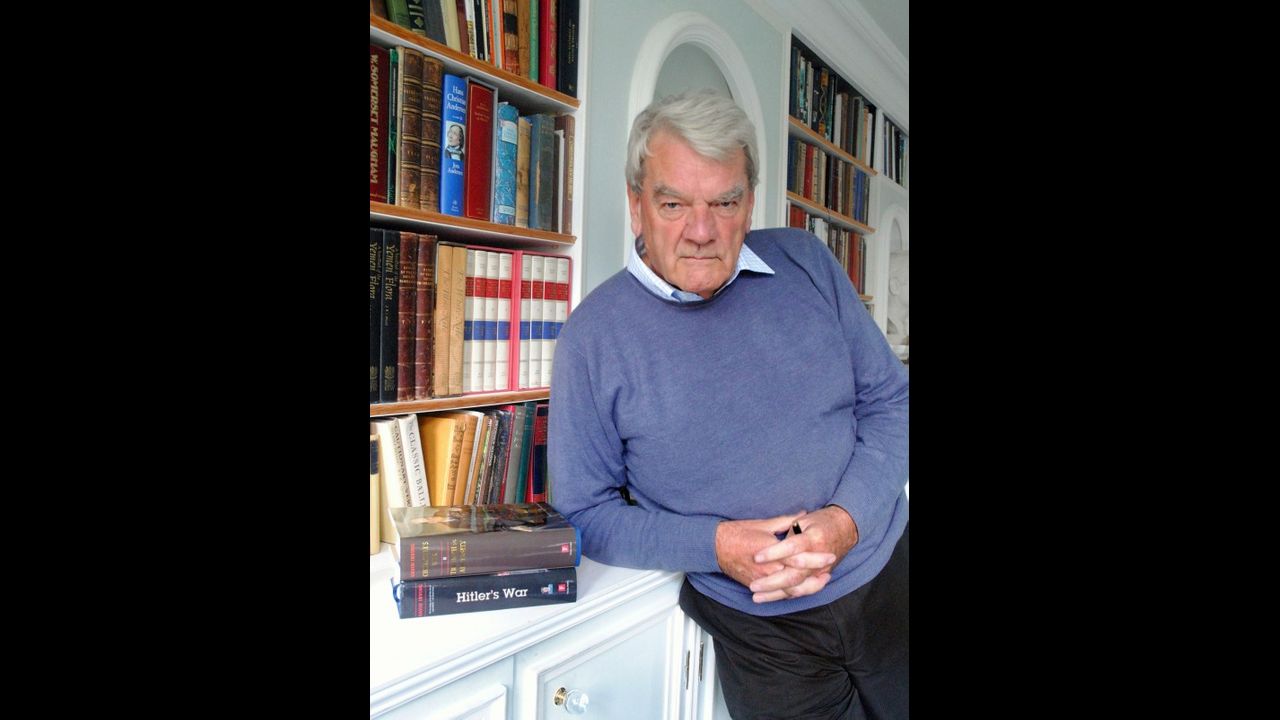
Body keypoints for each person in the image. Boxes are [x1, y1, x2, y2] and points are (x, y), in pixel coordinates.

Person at [549, 89, 909, 720]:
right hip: (762, 634)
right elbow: (585, 512)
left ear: (749, 203)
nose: (701, 231)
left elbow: (891, 401)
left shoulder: (807, 261)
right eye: (673, 204)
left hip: (890, 573)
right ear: (636, 205)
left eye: (725, 202)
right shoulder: (593, 338)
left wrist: (844, 522)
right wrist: (716, 545)